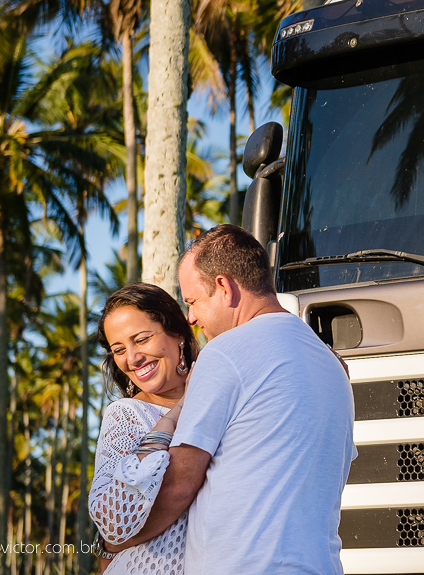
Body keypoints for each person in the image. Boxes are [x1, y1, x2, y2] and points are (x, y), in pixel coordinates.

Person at [113, 224, 355, 574]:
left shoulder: (226, 351)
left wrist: (116, 539)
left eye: (193, 301)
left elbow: (179, 485)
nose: (191, 317)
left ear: (224, 287)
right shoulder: (332, 366)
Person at [89, 282, 199, 574]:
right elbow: (113, 523)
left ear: (177, 333)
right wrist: (177, 412)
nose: (132, 358)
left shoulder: (225, 391)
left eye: (142, 339)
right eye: (119, 349)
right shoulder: (126, 414)